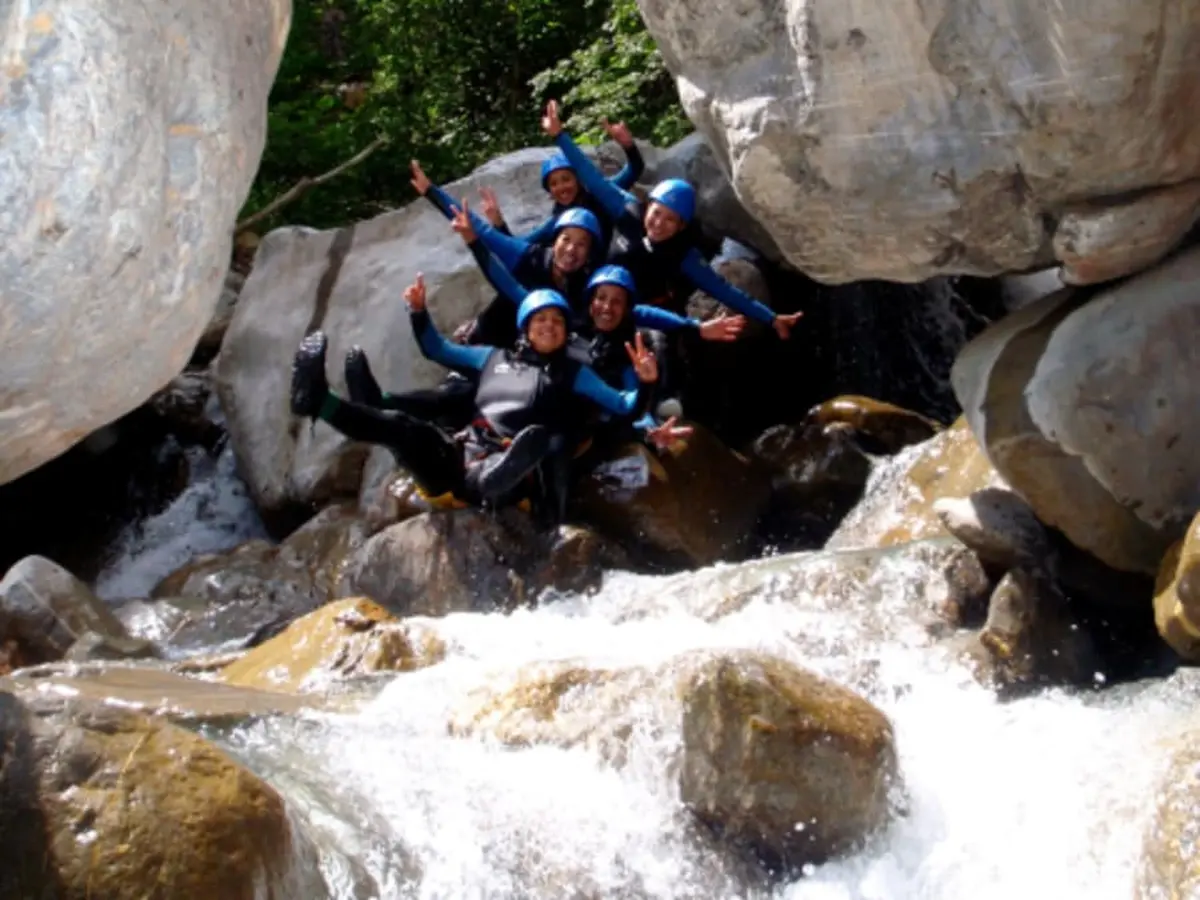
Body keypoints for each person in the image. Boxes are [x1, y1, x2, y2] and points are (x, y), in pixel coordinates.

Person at [289, 276, 659, 521]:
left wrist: (644, 383)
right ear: (526, 329)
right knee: (404, 429)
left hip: (510, 467)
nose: (549, 325)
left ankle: (498, 479)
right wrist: (417, 313)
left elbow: (624, 405)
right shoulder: (492, 357)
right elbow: (437, 349)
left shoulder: (577, 373)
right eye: (541, 320)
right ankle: (318, 401)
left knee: (511, 457)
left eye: (557, 322)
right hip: (459, 454)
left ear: (565, 332)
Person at [539, 100, 805, 340]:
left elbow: (725, 291)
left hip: (640, 317)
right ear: (648, 206)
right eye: (657, 213)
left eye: (670, 220)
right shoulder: (628, 210)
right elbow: (591, 178)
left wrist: (769, 317)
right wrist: (560, 136)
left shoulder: (683, 255)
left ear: (681, 226)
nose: (658, 223)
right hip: (597, 301)